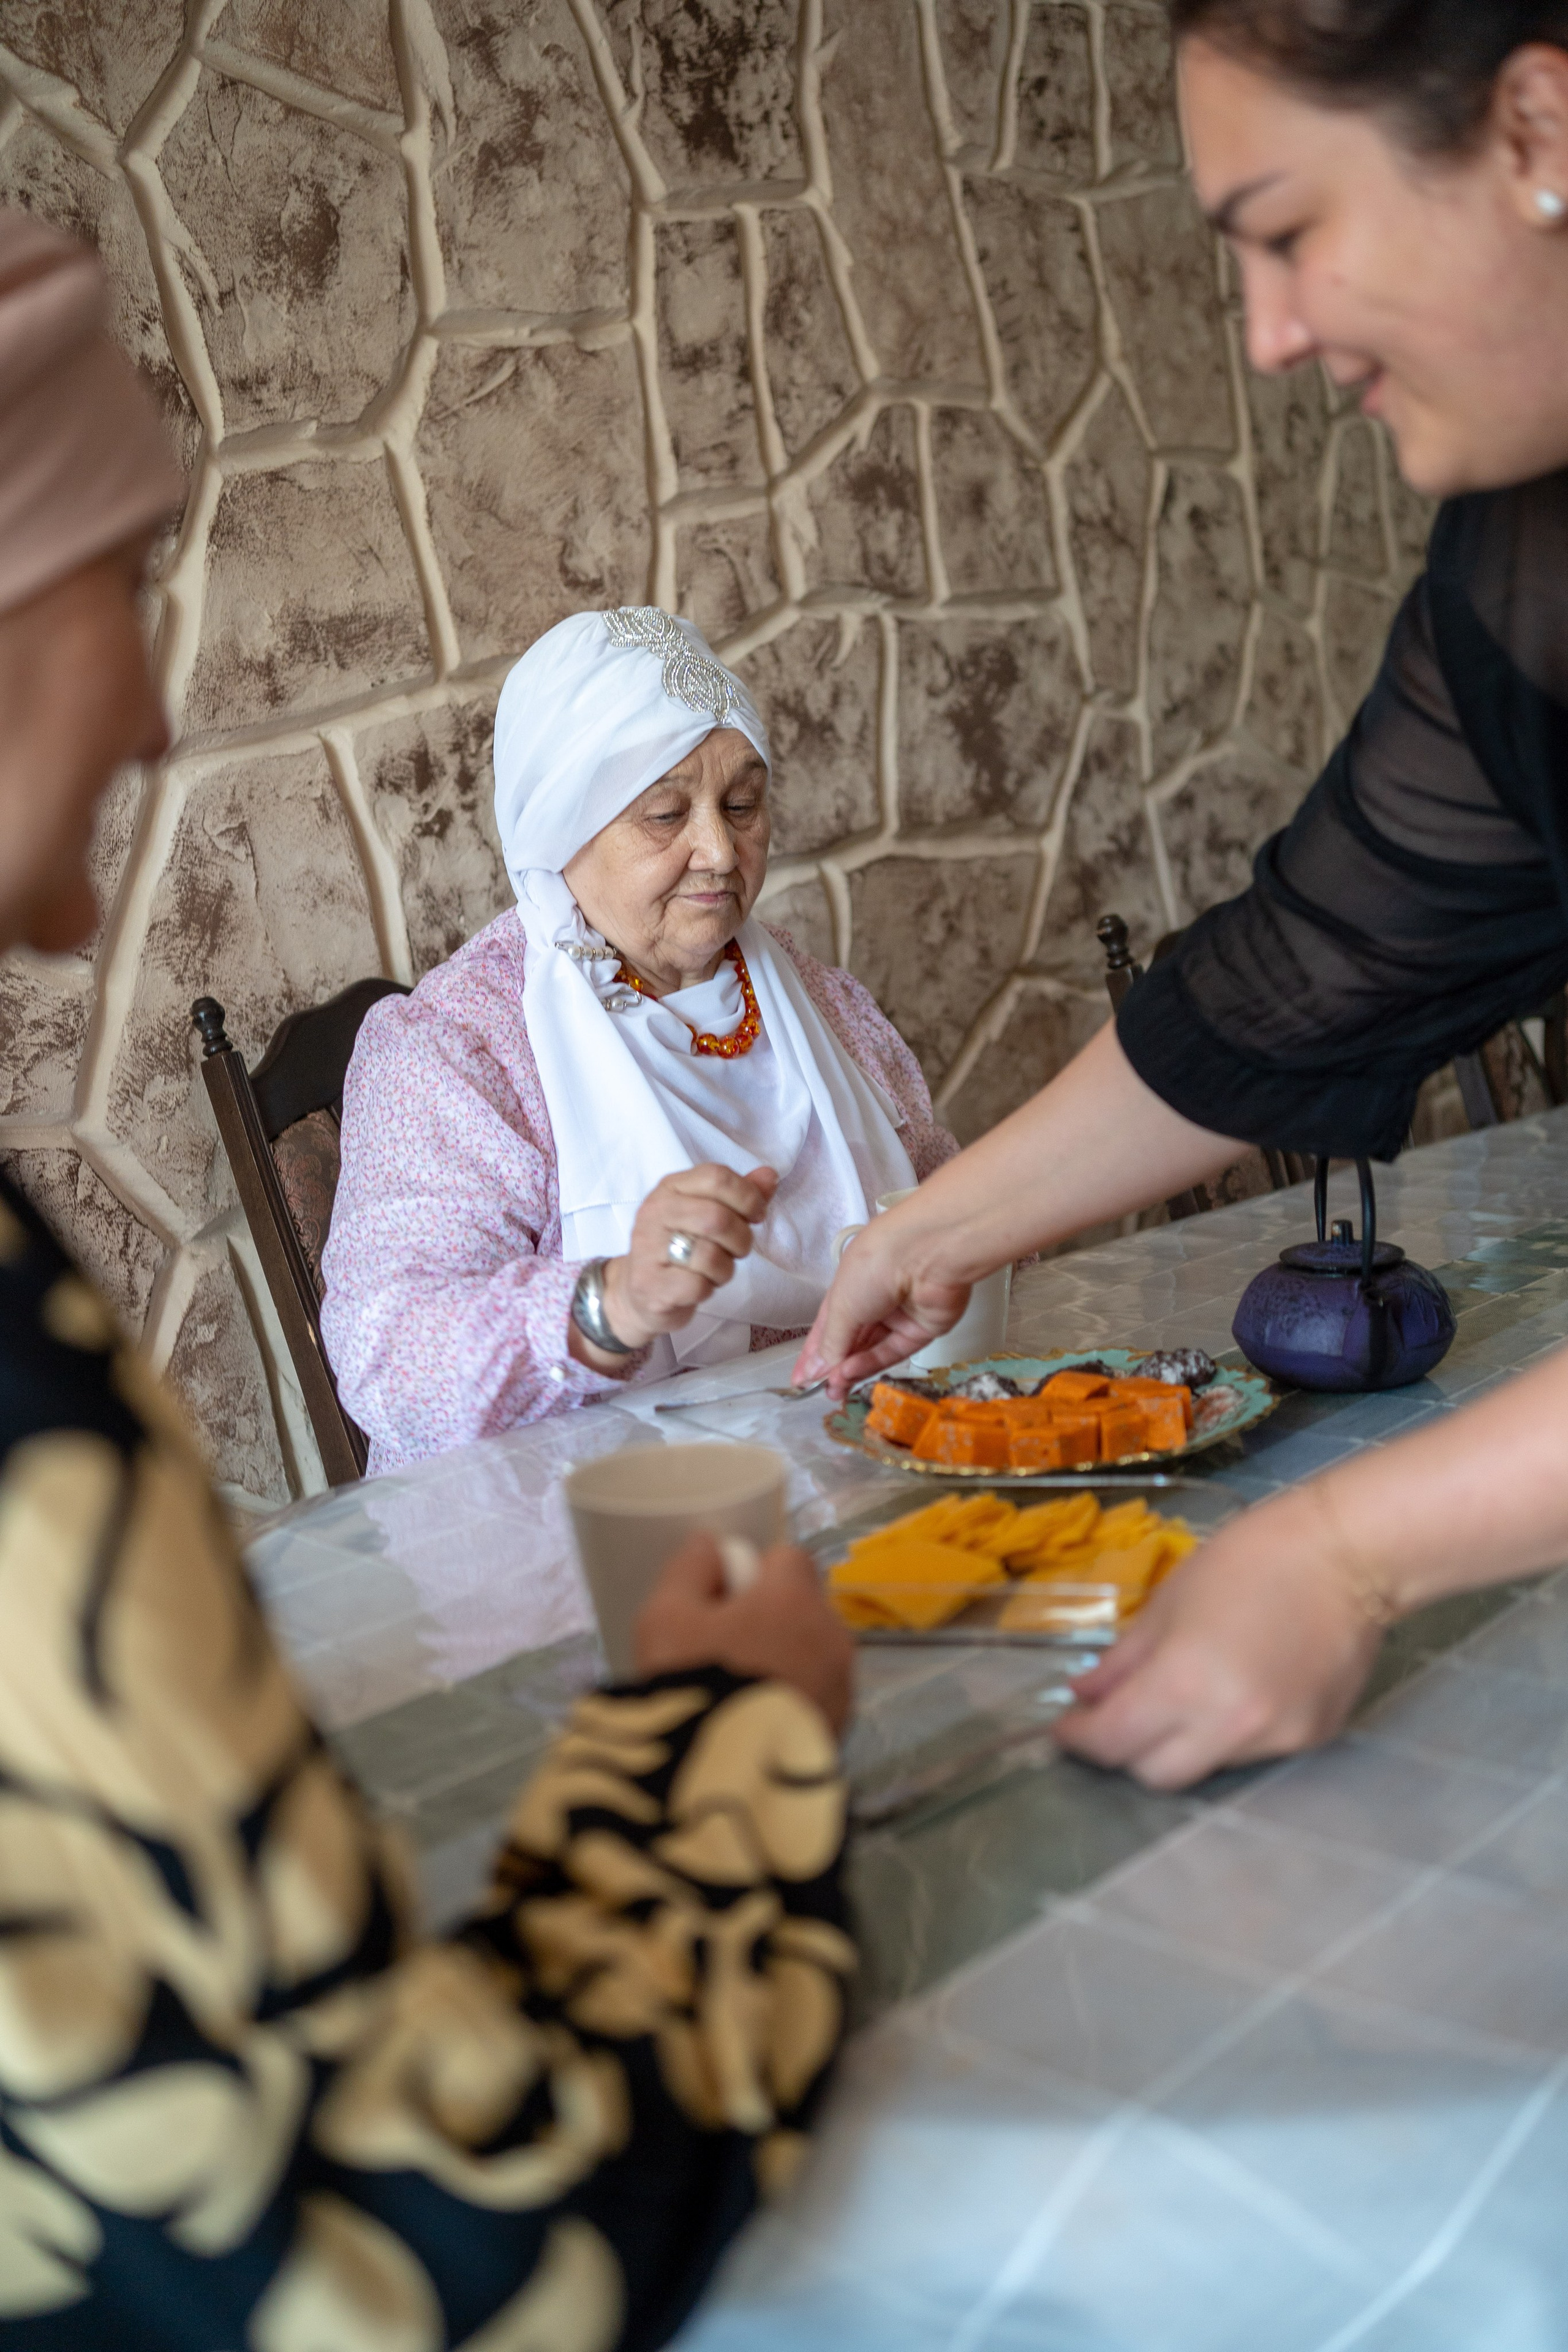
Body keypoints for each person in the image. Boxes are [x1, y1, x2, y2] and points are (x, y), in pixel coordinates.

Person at [0, 209, 856, 2349]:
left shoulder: (822, 1015)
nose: (149, 694)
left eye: (742, 803)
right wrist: (725, 1765)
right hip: (582, 1617)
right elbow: (365, 2248)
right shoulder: (459, 1049)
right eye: (114, 589)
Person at [798, 0, 1568, 1793]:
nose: (1272, 338)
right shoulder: (1520, 563)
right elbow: (1312, 963)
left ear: (1537, 129)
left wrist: (1340, 1550)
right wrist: (931, 1230)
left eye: (1288, 236)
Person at [322, 609, 956, 1472]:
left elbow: (943, 1198)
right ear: (560, 829)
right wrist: (610, 1302)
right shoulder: (458, 1047)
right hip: (570, 1534)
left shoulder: (815, 999)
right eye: (665, 813)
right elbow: (388, 1356)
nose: (720, 852)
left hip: (848, 1470)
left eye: (743, 804)